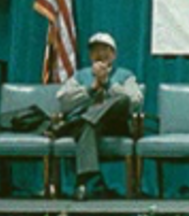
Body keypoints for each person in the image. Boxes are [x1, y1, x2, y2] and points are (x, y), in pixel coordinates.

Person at [55, 32, 142, 200]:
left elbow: (135, 101)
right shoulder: (80, 75)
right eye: (95, 50)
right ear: (90, 55)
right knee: (88, 126)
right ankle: (85, 182)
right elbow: (63, 100)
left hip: (113, 125)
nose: (100, 54)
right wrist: (92, 88)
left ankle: (84, 181)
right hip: (86, 127)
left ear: (113, 54)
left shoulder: (125, 75)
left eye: (105, 50)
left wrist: (108, 84)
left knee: (122, 99)